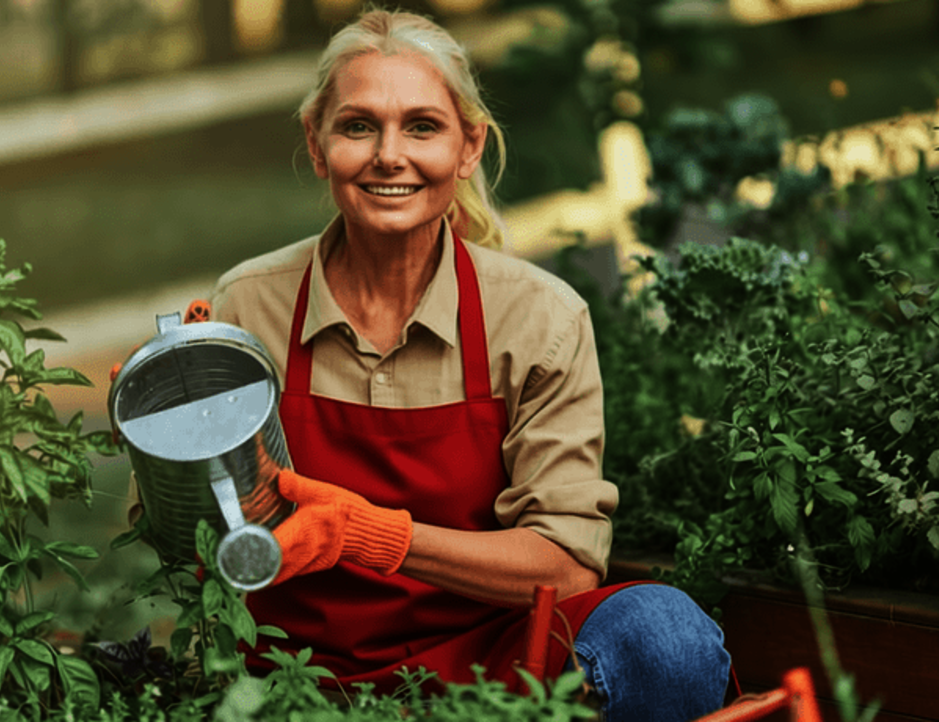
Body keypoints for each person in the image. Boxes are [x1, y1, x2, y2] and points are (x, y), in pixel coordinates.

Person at [206, 8, 731, 720]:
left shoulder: (539, 318)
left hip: (490, 669)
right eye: (359, 126)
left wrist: (370, 534)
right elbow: (196, 534)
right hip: (301, 677)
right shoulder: (250, 304)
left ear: (468, 147)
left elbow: (567, 564)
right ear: (317, 141)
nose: (389, 155)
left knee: (665, 640)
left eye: (422, 126)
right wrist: (162, 424)